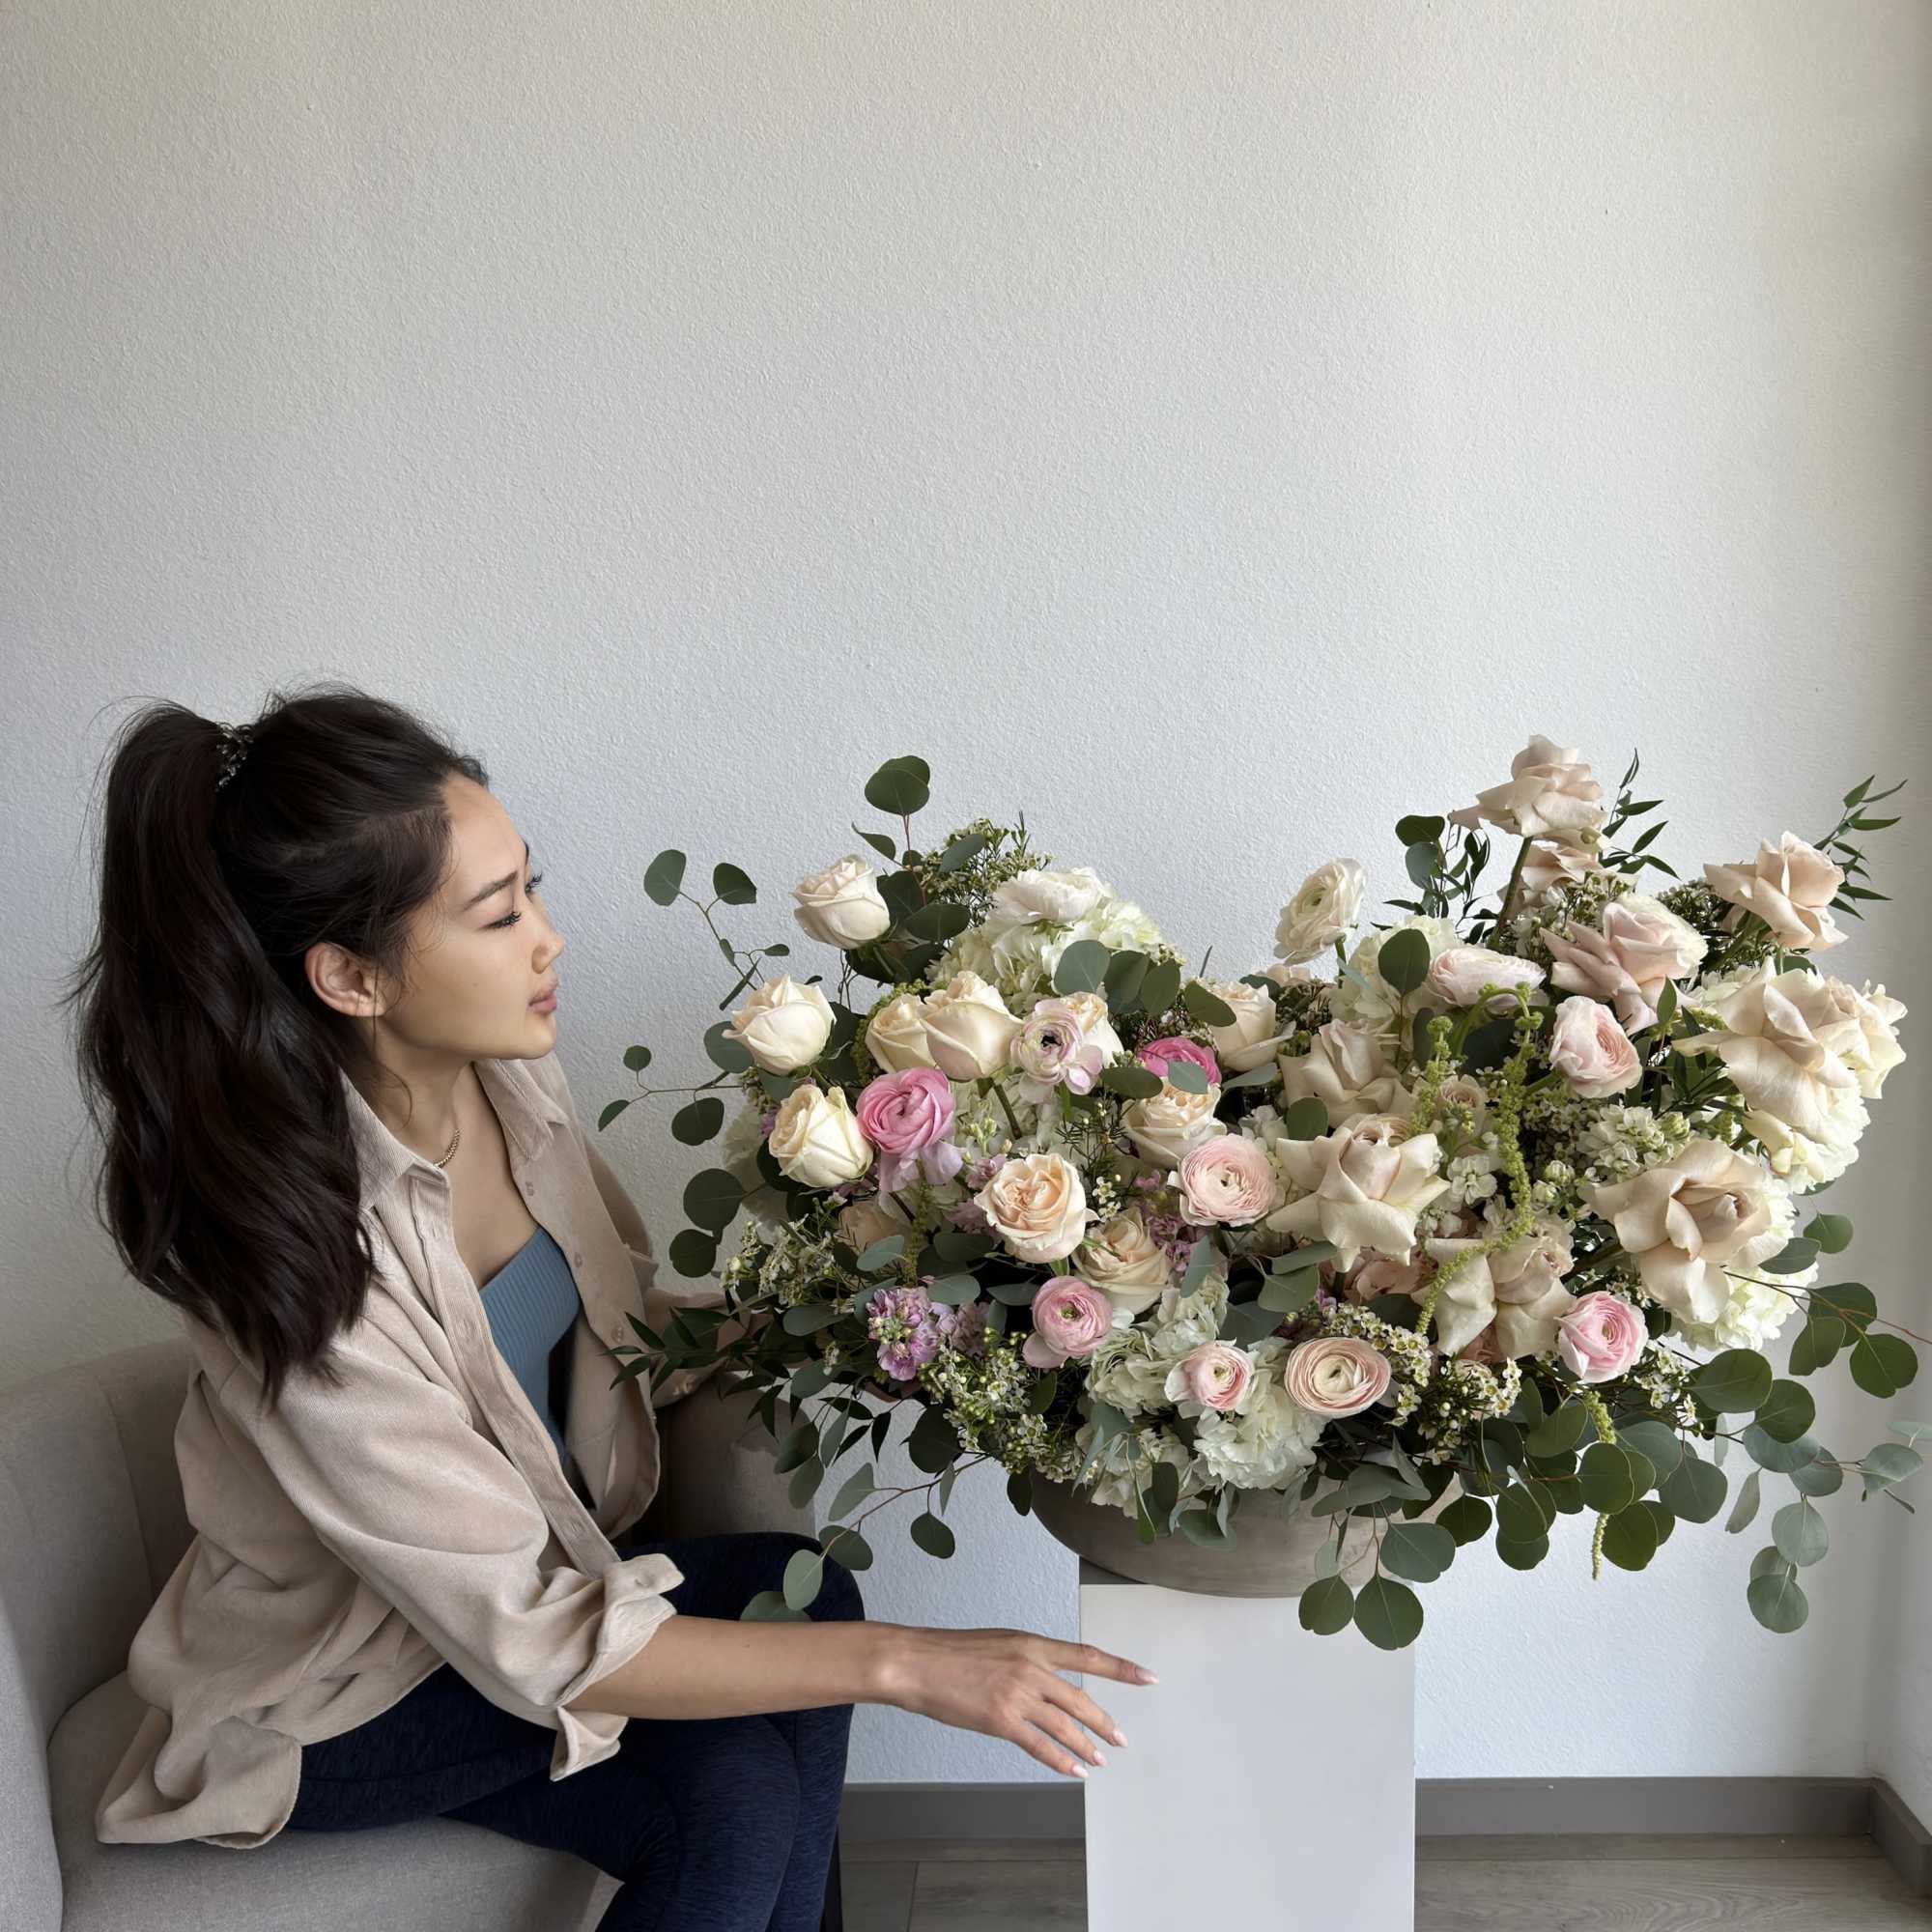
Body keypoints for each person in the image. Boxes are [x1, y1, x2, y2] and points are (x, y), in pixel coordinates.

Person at [64, 679, 1156, 1932]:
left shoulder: (511, 1082)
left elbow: (623, 1326)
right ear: (352, 977)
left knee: (799, 1589)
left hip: (523, 1592)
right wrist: (917, 1666)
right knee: (730, 1793)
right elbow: (535, 1635)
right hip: (338, 1690)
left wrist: (872, 1319)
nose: (548, 939)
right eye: (496, 915)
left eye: (529, 888)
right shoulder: (299, 1275)